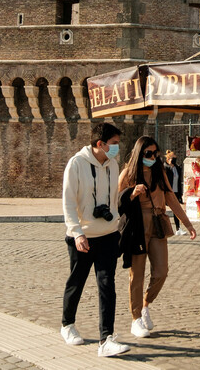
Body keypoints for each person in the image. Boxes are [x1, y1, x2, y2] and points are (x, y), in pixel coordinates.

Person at [60, 122, 129, 358]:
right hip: (83, 237)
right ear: (100, 144)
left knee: (107, 286)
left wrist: (116, 224)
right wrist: (76, 231)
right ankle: (67, 324)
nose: (117, 148)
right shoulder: (76, 164)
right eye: (114, 144)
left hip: (108, 234)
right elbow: (68, 202)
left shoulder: (113, 164)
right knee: (76, 282)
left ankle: (106, 338)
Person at [118, 135, 197, 339]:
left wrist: (187, 224)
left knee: (161, 271)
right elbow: (118, 202)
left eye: (155, 153)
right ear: (139, 153)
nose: (153, 157)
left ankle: (145, 304)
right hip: (137, 224)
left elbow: (171, 197)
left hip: (158, 221)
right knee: (137, 273)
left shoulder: (159, 171)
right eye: (148, 153)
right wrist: (133, 193)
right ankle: (135, 319)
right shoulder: (128, 173)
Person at [163, 150, 184, 233]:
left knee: (176, 209)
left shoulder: (177, 168)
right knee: (162, 209)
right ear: (168, 159)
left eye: (175, 158)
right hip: (167, 191)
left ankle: (178, 228)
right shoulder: (165, 168)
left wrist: (180, 193)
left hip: (175, 192)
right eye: (172, 158)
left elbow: (179, 181)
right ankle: (164, 228)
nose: (174, 160)